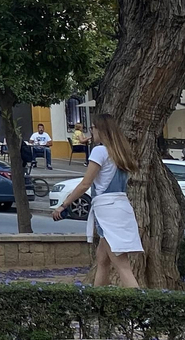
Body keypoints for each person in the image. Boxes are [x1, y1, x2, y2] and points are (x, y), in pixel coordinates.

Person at [51, 113, 142, 288]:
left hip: (106, 210)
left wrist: (63, 205)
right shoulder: (120, 152)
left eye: (92, 128)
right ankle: (97, 298)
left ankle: (140, 303)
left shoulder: (100, 151)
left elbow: (85, 184)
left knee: (122, 266)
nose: (91, 132)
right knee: (103, 260)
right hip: (121, 207)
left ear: (100, 129)